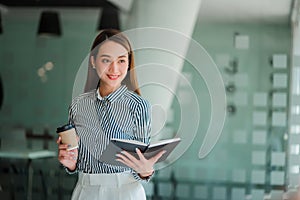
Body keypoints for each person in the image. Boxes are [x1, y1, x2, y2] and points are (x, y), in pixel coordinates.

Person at [57, 29, 165, 200]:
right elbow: (76, 162)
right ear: (93, 61)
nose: (114, 68)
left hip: (125, 192)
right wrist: (71, 164)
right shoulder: (78, 105)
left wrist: (146, 171)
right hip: (86, 191)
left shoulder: (139, 106)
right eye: (106, 60)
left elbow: (141, 164)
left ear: (129, 63)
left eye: (121, 60)